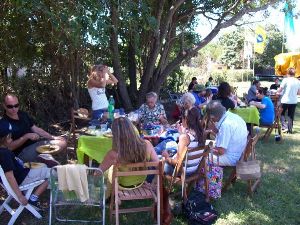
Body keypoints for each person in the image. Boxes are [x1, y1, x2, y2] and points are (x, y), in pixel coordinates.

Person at [0, 93, 66, 163]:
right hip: (21, 154)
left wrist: (52, 137)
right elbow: (9, 147)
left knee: (62, 142)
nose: (14, 109)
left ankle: (54, 162)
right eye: (10, 106)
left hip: (36, 145)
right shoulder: (4, 124)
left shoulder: (23, 114)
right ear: (4, 106)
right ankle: (47, 163)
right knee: (47, 158)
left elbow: (36, 129)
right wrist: (26, 137)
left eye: (16, 105)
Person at [98, 117, 159, 191]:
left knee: (110, 169)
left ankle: (110, 194)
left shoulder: (114, 154)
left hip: (124, 186)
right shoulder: (147, 144)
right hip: (140, 182)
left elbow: (98, 172)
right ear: (132, 129)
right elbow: (159, 166)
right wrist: (154, 182)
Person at [0, 123, 50, 210]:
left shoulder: (3, 152)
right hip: (24, 178)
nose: (12, 139)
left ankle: (29, 193)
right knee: (54, 172)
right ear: (6, 138)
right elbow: (10, 177)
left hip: (22, 175)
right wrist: (20, 196)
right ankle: (33, 198)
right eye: (10, 137)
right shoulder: (4, 154)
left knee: (44, 166)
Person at [162, 92, 205, 175]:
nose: (181, 122)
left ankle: (155, 186)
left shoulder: (185, 137)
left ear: (186, 120)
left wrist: (166, 157)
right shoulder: (200, 132)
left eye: (182, 119)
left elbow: (176, 162)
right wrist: (182, 133)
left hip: (183, 171)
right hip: (194, 169)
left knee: (158, 161)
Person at [206, 101, 248, 166]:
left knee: (200, 156)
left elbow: (220, 152)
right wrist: (215, 131)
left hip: (230, 158)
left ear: (212, 117)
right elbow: (228, 137)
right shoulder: (233, 116)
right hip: (238, 151)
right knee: (205, 143)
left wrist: (206, 150)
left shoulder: (225, 125)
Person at [276, 68, 300, 133]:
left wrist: (277, 92)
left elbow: (280, 89)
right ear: (294, 74)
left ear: (288, 73)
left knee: (280, 113)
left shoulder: (285, 80)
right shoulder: (298, 81)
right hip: (294, 100)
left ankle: (284, 126)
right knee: (290, 115)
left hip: (285, 100)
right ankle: (290, 130)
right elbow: (298, 92)